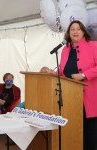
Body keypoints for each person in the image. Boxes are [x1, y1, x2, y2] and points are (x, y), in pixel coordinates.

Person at [40, 20, 97, 150]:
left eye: (78, 29)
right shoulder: (65, 50)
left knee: (91, 137)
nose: (75, 31)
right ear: (68, 33)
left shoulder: (93, 45)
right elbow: (63, 71)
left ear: (83, 32)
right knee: (75, 134)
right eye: (72, 29)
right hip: (71, 99)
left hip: (90, 99)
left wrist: (83, 75)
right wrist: (51, 72)